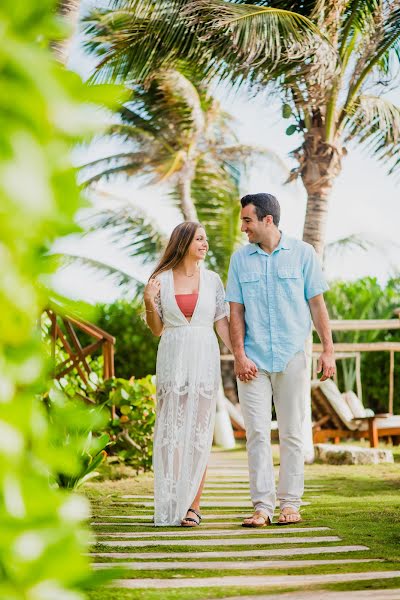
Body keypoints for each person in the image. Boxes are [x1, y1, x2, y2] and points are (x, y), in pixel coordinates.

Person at [225, 193, 335, 527]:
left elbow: (317, 305)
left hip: (292, 355)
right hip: (253, 362)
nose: (243, 227)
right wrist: (239, 356)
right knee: (256, 433)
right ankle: (262, 507)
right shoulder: (240, 260)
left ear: (267, 220)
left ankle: (290, 504)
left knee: (291, 432)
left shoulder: (303, 254)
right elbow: (235, 312)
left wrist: (328, 350)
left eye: (247, 220)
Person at [144, 221, 232, 527]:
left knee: (198, 433)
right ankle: (171, 501)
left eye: (206, 239)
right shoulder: (161, 280)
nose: (205, 244)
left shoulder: (213, 281)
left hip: (204, 358)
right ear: (183, 243)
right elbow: (157, 329)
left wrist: (241, 355)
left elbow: (222, 324)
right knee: (170, 434)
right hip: (172, 358)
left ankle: (194, 506)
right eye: (199, 239)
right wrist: (148, 300)